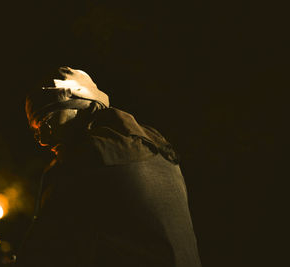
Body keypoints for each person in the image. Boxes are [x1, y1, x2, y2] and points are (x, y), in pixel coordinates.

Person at [16, 67, 201, 267]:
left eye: (45, 123)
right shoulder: (158, 147)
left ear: (77, 106)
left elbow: (38, 256)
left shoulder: (80, 163)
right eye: (36, 133)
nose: (43, 140)